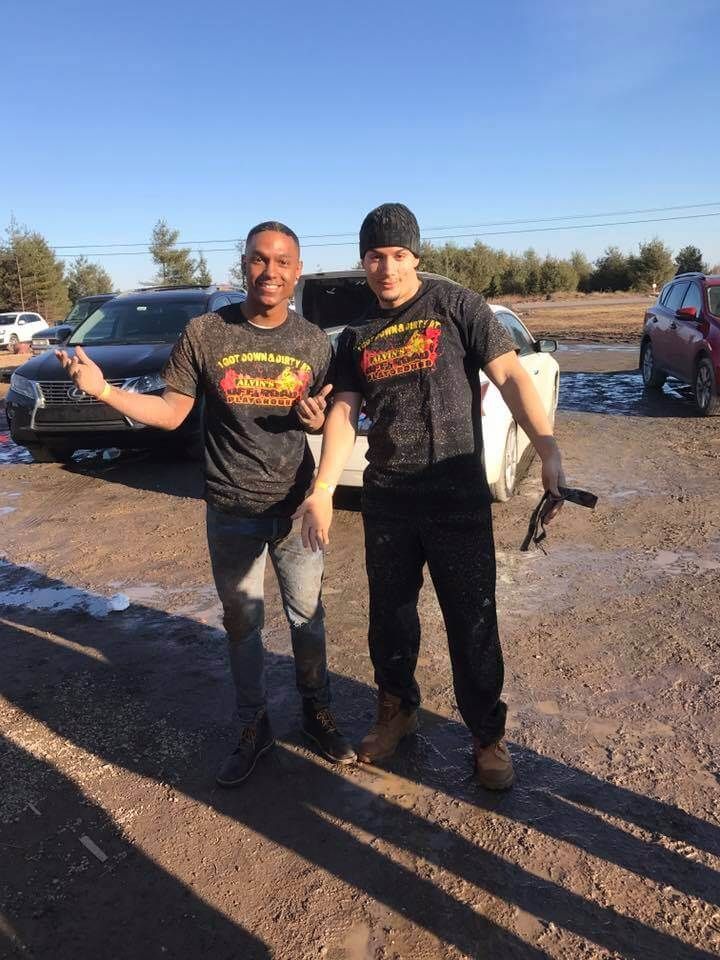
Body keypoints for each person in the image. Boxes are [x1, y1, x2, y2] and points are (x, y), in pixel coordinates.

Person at [56, 221, 356, 786]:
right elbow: (171, 413)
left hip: (296, 509)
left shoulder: (314, 342)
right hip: (231, 510)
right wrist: (103, 391)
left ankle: (317, 713)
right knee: (243, 624)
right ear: (243, 265)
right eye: (259, 260)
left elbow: (328, 415)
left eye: (283, 262)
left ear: (297, 271)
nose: (271, 272)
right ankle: (254, 725)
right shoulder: (204, 333)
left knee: (307, 618)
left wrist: (312, 428)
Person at [294, 203, 564, 790]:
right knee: (390, 619)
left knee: (472, 621)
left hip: (456, 498)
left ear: (415, 256)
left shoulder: (456, 306)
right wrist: (321, 489)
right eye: (374, 256)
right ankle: (398, 709)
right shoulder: (358, 335)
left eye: (396, 255)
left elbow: (512, 376)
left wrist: (547, 450)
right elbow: (343, 411)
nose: (385, 268)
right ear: (362, 260)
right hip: (388, 498)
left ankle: (487, 736)